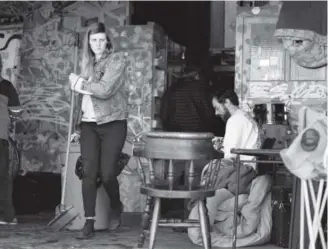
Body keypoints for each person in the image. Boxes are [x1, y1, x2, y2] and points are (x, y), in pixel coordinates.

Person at [68, 22, 128, 239]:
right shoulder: (86, 63)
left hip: (113, 122)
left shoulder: (117, 60)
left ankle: (116, 205)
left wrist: (80, 83)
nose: (98, 44)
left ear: (108, 40)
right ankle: (89, 222)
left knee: (108, 173)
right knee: (89, 173)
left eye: (102, 39)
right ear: (88, 42)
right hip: (88, 125)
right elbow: (80, 102)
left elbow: (104, 90)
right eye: (94, 40)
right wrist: (77, 127)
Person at [0, 54, 21, 225]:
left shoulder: (6, 86)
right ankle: (7, 216)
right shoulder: (6, 86)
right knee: (3, 177)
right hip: (1, 137)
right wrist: (9, 122)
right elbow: (16, 112)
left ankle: (7, 216)